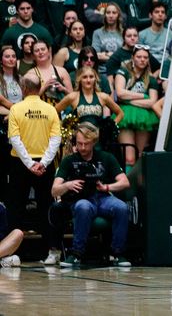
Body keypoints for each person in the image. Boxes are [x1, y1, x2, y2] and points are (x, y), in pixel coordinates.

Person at [51, 122, 131, 267]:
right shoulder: (69, 161)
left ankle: (117, 253)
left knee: (121, 208)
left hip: (102, 197)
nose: (82, 148)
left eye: (86, 144)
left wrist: (107, 187)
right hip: (80, 198)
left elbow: (125, 182)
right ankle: (76, 254)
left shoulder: (106, 157)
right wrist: (68, 185)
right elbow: (54, 190)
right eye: (79, 143)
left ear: (94, 142)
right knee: (83, 207)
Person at [6, 75, 61, 261]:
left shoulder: (16, 109)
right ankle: (50, 251)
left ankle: (12, 253)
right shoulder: (51, 109)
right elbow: (56, 139)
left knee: (16, 208)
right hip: (44, 165)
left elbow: (14, 138)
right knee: (46, 206)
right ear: (39, 88)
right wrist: (42, 163)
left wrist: (29, 164)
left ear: (23, 88)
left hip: (20, 163)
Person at [114, 45, 159, 167]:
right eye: (139, 56)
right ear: (133, 57)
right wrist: (143, 96)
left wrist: (129, 100)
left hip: (144, 117)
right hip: (125, 116)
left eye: (145, 57)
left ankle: (138, 184)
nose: (142, 60)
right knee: (129, 158)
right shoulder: (122, 72)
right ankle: (127, 184)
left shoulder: (151, 79)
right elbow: (120, 93)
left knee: (139, 156)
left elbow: (152, 101)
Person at [0, 202, 23, 268]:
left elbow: (2, 233)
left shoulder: (1, 207)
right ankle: (4, 261)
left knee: (18, 233)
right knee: (15, 260)